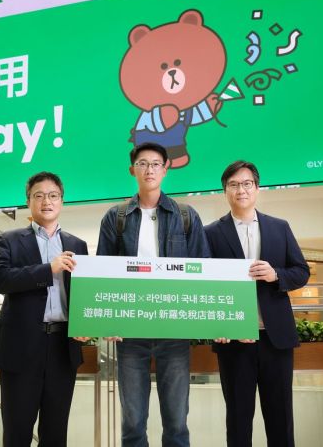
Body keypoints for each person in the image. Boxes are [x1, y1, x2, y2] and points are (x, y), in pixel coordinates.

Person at [97, 142, 210, 447]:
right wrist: (109, 321)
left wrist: (203, 323)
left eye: (156, 164)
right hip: (130, 333)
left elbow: (204, 269)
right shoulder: (116, 217)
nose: (149, 169)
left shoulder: (185, 215)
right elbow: (103, 273)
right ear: (132, 169)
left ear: (165, 169)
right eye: (143, 163)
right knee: (133, 422)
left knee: (177, 421)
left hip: (174, 331)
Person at [204, 160, 310, 447]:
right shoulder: (210, 232)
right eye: (234, 185)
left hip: (276, 340)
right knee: (238, 420)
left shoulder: (279, 227)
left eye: (246, 183)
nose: (241, 190)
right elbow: (205, 283)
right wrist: (217, 325)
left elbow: (301, 271)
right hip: (234, 341)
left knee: (280, 418)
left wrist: (277, 275)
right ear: (225, 191)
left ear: (257, 188)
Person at [0, 171, 89, 447]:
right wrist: (48, 269)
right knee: (17, 432)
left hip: (63, 346)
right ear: (28, 201)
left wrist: (85, 326)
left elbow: (84, 293)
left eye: (53, 195)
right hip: (21, 347)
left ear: (62, 201)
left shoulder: (77, 245)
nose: (47, 201)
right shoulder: (8, 240)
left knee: (55, 433)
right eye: (39, 195)